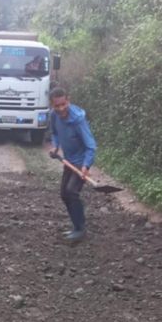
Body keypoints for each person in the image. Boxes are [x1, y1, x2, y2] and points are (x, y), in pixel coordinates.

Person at [49, 87, 97, 242]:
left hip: (80, 162)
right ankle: (76, 227)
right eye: (57, 106)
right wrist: (55, 146)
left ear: (68, 101)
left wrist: (86, 166)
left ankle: (80, 229)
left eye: (63, 104)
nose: (61, 109)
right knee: (64, 194)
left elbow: (91, 146)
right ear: (52, 105)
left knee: (71, 192)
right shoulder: (54, 115)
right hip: (69, 161)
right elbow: (55, 133)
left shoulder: (78, 120)